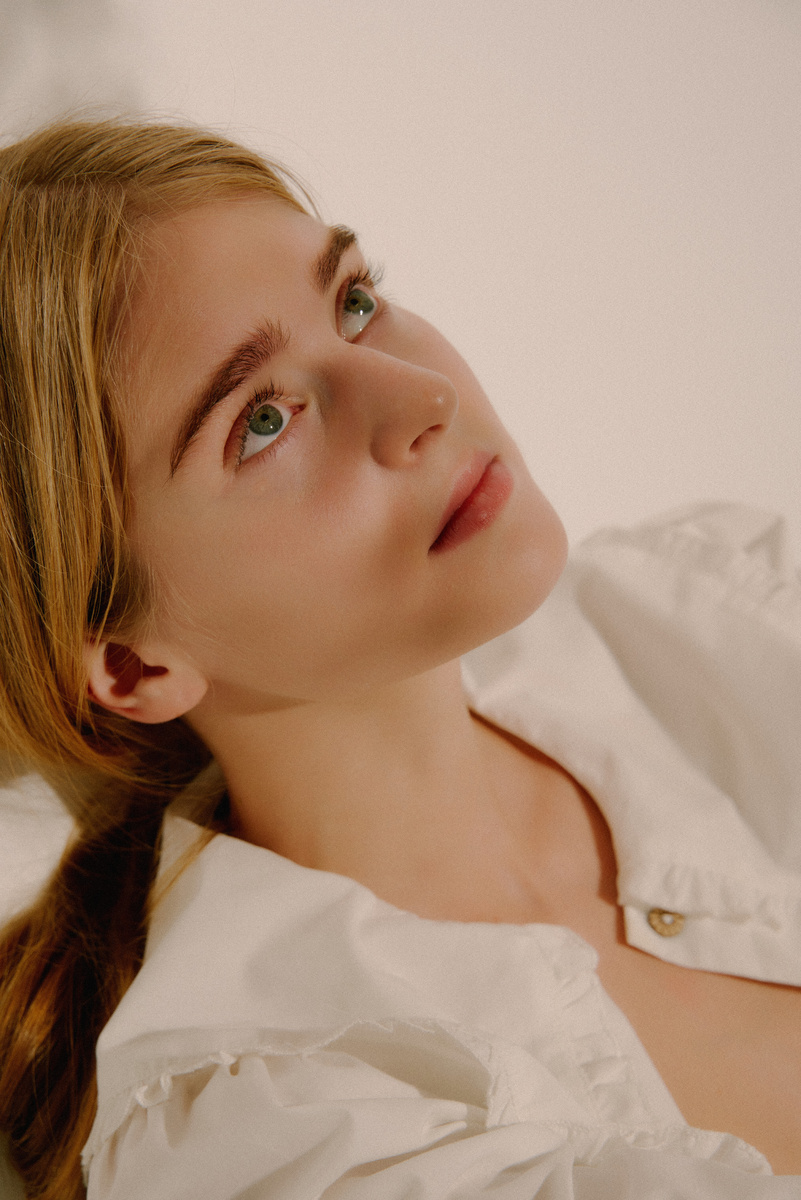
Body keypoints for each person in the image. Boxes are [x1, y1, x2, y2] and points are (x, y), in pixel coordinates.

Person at [0, 118, 799, 1200]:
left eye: (356, 302)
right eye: (264, 420)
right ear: (135, 667)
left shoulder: (718, 605)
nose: (425, 399)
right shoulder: (297, 1141)